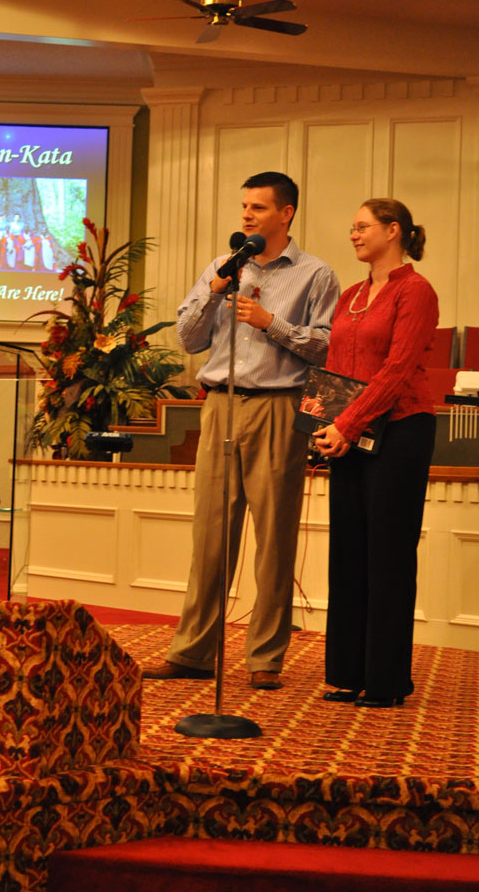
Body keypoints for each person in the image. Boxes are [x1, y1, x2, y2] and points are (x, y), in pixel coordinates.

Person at [143, 172, 340, 690]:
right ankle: (192, 652)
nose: (247, 215)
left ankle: (265, 658)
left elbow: (326, 349)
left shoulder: (316, 275)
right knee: (210, 535)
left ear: (286, 213)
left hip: (279, 408)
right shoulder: (221, 267)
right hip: (220, 407)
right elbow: (187, 340)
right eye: (245, 207)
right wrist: (213, 293)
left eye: (258, 207)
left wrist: (269, 321)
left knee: (273, 538)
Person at [313, 198, 438, 708]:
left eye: (362, 227)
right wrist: (321, 426)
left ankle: (385, 680)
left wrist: (345, 424)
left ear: (394, 231)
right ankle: (348, 673)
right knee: (348, 552)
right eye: (352, 227)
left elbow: (397, 369)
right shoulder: (351, 294)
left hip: (401, 429)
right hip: (349, 433)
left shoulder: (417, 290)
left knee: (387, 556)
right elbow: (335, 364)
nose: (353, 234)